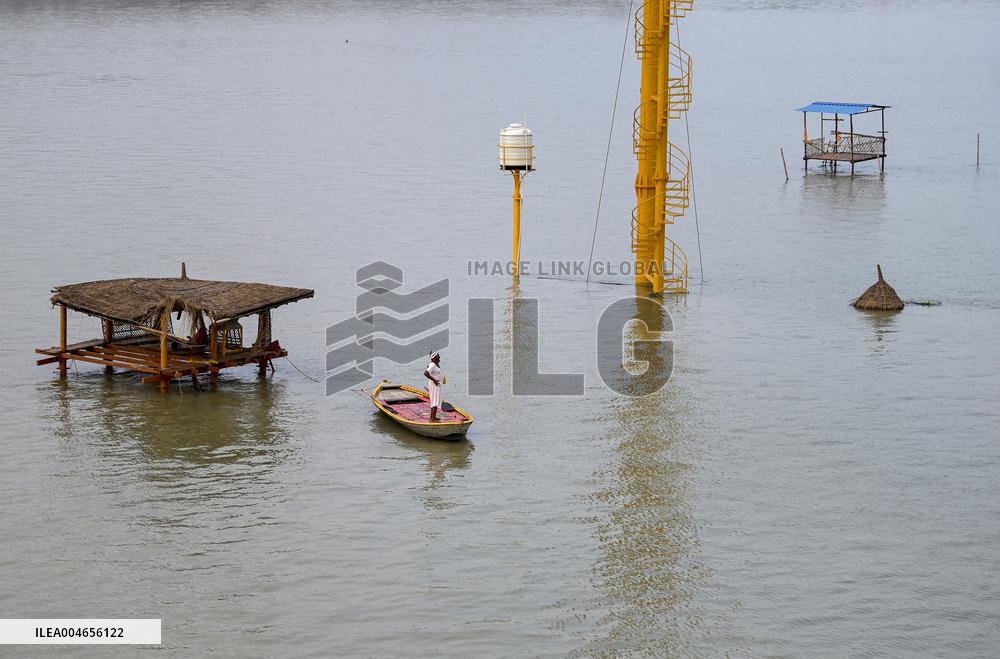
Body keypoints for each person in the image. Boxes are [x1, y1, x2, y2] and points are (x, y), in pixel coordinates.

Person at [423, 351, 445, 422]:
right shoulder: (432, 365)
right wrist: (434, 380)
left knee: (437, 401)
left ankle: (434, 417)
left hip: (437, 385)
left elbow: (430, 370)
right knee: (434, 401)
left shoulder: (435, 364)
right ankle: (432, 419)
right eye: (438, 356)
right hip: (434, 386)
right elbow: (425, 373)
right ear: (434, 357)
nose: (439, 357)